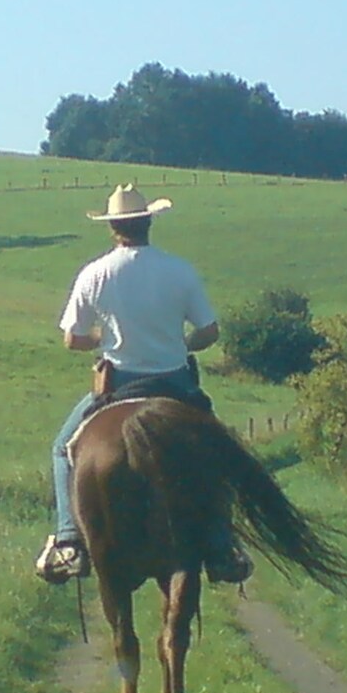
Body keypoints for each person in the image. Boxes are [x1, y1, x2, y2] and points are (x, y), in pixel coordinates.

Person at [35, 184, 254, 585]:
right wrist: (181, 343)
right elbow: (209, 332)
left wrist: (105, 338)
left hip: (117, 386)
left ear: (113, 227)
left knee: (62, 450)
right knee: (220, 452)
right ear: (148, 222)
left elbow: (72, 339)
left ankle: (68, 540)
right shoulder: (180, 270)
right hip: (176, 384)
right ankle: (222, 545)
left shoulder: (94, 274)